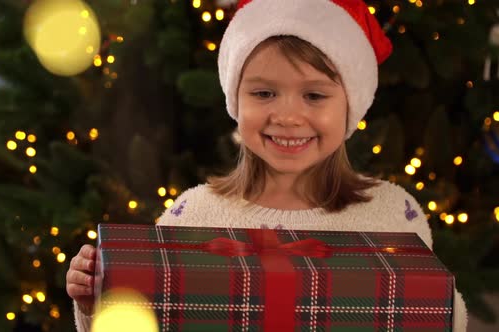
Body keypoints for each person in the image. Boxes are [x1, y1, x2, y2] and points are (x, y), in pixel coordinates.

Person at [66, 0, 468, 331]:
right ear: (236, 101)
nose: (288, 116)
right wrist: (95, 297)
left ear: (350, 106)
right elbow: (148, 313)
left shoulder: (394, 214)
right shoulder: (195, 212)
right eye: (263, 93)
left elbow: (441, 315)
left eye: (314, 96)